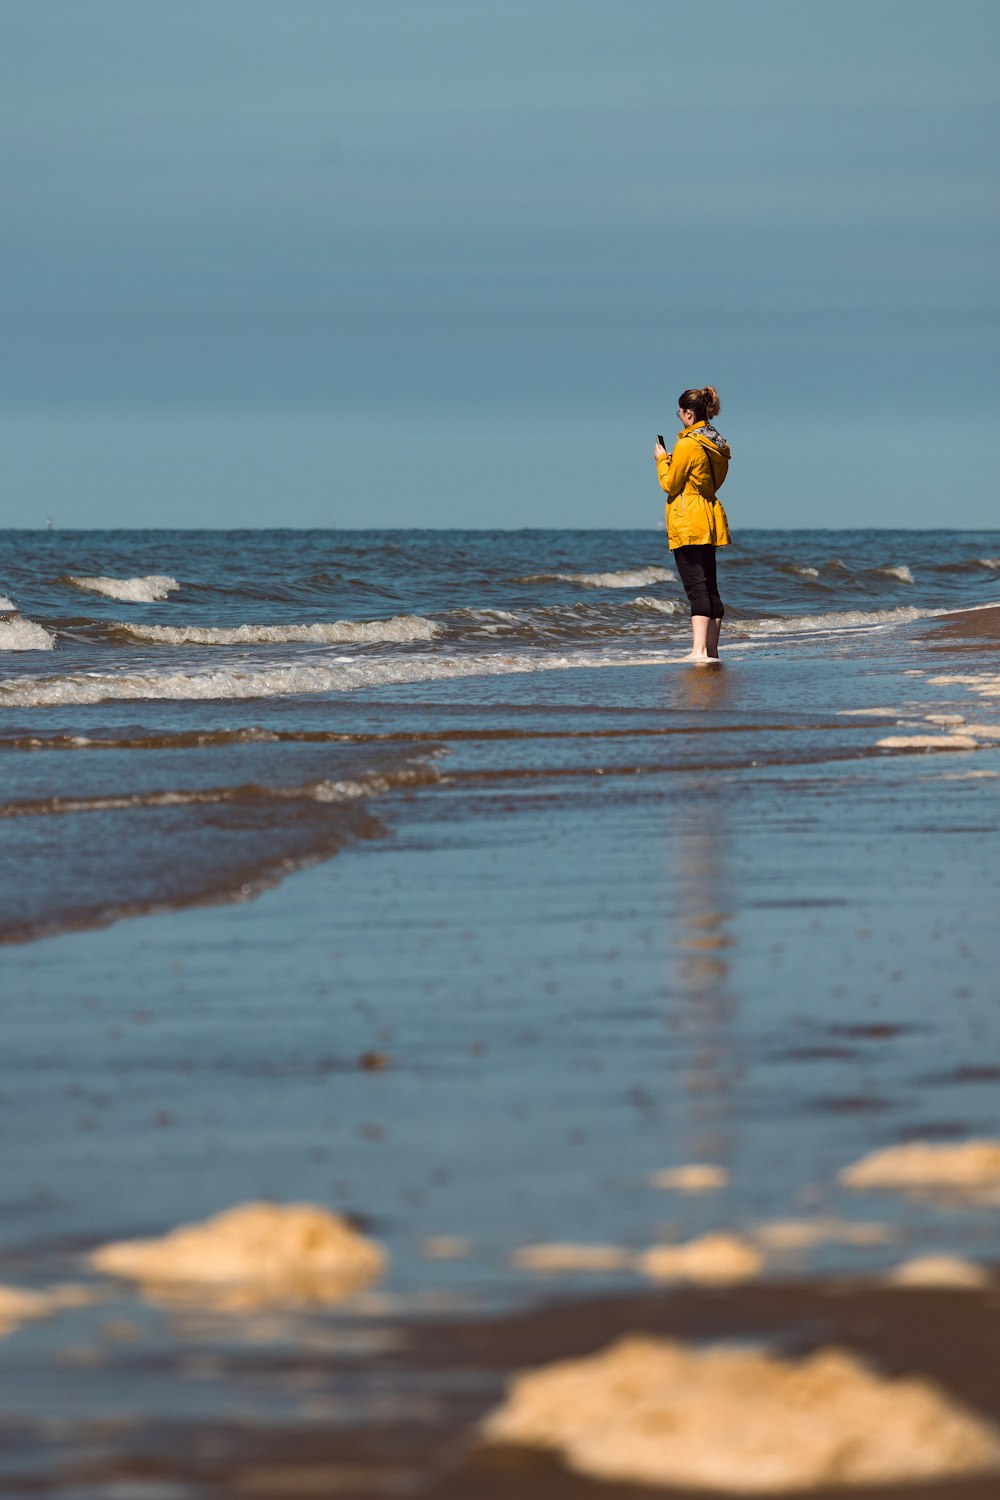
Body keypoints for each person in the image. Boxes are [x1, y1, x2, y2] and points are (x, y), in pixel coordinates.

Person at [654, 387, 732, 663]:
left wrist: (662, 460)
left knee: (696, 587)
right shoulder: (717, 442)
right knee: (710, 585)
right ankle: (711, 651)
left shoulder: (688, 443)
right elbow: (705, 478)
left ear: (688, 413)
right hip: (709, 515)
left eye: (679, 412)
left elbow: (670, 484)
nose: (679, 417)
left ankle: (698, 651)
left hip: (688, 518)